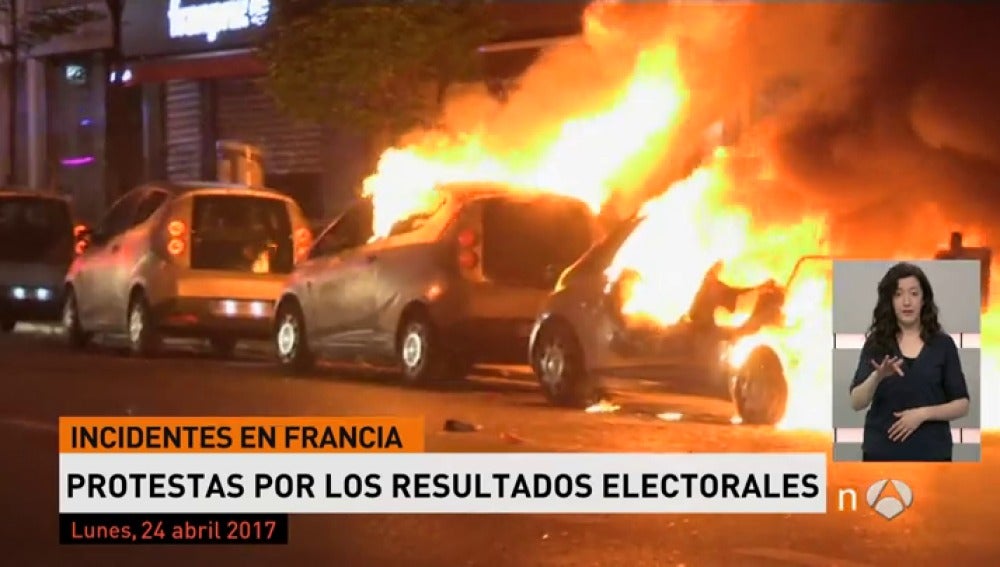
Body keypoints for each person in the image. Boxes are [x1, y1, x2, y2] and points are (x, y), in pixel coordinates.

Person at [849, 262, 971, 462]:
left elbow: (962, 404)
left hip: (933, 457)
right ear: (890, 301)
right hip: (881, 456)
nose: (907, 302)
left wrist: (922, 414)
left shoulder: (943, 344)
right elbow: (856, 402)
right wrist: (877, 376)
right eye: (898, 294)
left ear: (924, 300)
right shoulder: (877, 343)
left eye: (914, 293)